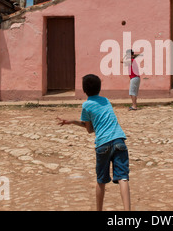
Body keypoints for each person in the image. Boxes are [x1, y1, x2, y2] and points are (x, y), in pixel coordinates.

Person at [56, 74, 131, 211]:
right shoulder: (106, 101)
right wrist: (72, 121)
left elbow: (89, 129)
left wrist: (71, 122)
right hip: (119, 139)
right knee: (123, 178)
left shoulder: (86, 105)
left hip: (103, 144)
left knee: (101, 181)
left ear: (84, 90)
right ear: (100, 88)